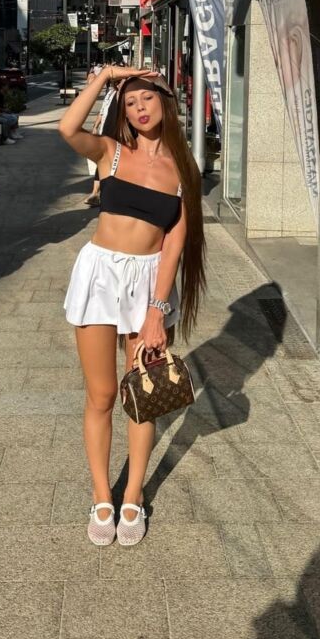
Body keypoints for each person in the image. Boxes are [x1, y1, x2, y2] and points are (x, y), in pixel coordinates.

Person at [58, 65, 206, 547]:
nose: (139, 108)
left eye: (147, 98)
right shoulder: (111, 153)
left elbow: (175, 242)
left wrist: (157, 310)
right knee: (101, 394)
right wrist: (105, 76)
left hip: (148, 283)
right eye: (130, 103)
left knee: (142, 392)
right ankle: (102, 495)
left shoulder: (183, 170)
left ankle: (134, 495)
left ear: (165, 101)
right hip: (99, 275)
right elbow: (67, 128)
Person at [83, 75, 118, 207]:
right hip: (106, 133)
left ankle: (102, 194)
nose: (119, 84)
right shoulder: (110, 94)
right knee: (102, 162)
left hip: (118, 136)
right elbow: (103, 112)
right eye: (117, 82)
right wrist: (95, 126)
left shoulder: (126, 96)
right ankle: (95, 193)